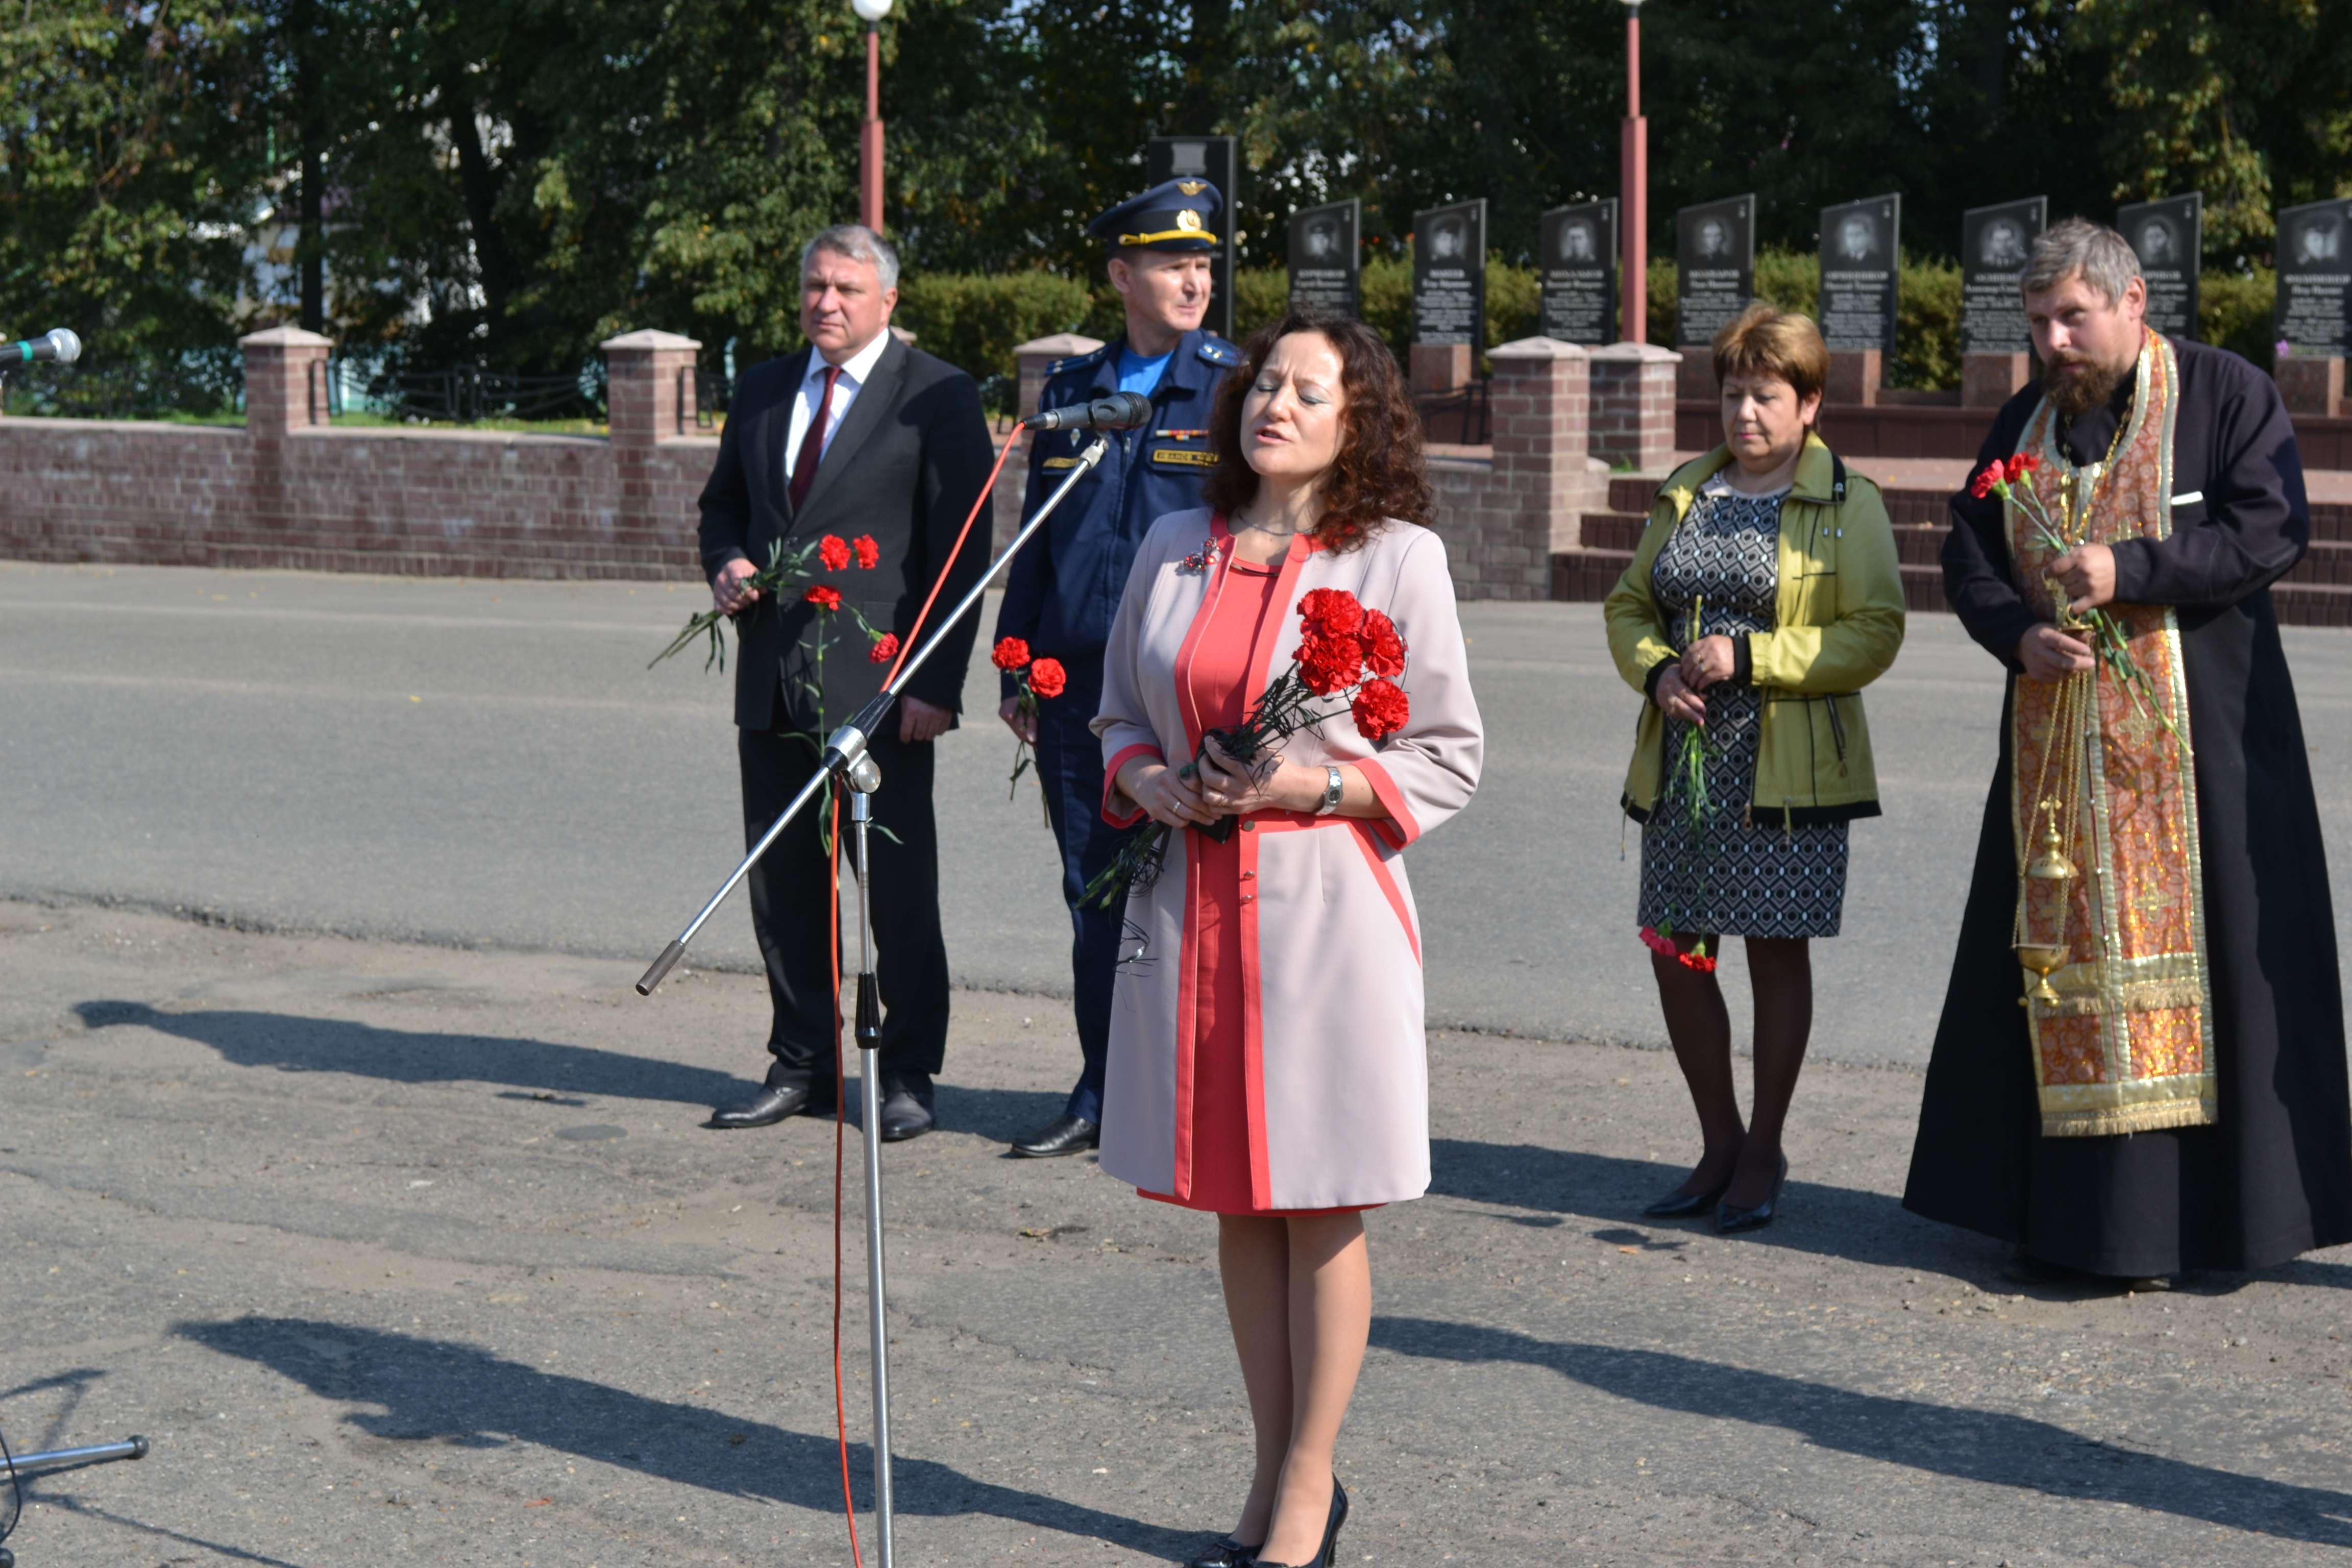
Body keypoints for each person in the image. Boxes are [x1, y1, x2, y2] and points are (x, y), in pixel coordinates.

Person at [1092, 312, 1481, 1568]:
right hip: (1192, 909)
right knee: (1236, 1205)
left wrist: (1305, 791)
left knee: (1319, 1197)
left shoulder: (1398, 558)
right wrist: (1151, 781)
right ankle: (1267, 1475)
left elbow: (1446, 756)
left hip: (1322, 918)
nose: (1277, 405)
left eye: (1311, 392)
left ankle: (1310, 1492)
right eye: (1267, 383)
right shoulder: (1170, 543)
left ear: (1356, 422)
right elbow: (1114, 719)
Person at [1905, 218, 2352, 1286]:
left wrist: (2132, 568)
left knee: (2229, 977)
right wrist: (2015, 633)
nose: (2055, 342)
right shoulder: (2027, 418)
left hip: (2211, 761)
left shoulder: (2228, 394)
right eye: (2040, 323)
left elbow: (2268, 527)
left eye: (2074, 317)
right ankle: (2071, 1227)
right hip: (2059, 767)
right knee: (2056, 975)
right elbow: (1965, 551)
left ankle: (2206, 1228)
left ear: (2134, 300)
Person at [1603, 304, 1905, 1232]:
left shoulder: (1848, 502)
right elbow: (1627, 605)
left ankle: (1766, 1146)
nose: (1745, 414)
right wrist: (1656, 674)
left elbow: (1875, 630)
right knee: (1679, 956)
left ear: (1809, 403)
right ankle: (1719, 1140)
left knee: (1776, 958)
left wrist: (1751, 656)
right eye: (1733, 394)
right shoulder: (1688, 490)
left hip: (1789, 771)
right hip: (1685, 764)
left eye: (1767, 396)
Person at [697, 224, 994, 1140]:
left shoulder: (937, 395)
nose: (826, 303)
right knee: (784, 885)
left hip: (881, 694)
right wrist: (727, 560)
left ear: (888, 302)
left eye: (847, 290)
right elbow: (724, 507)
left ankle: (906, 1070)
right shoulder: (763, 388)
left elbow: (962, 550)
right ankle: (805, 1063)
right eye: (815, 287)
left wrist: (933, 683)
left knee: (895, 889)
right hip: (774, 680)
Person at [992, 179, 1242, 1158]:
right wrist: (1019, 661)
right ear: (1120, 274)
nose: (1195, 278)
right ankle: (1104, 1088)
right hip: (1075, 688)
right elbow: (1038, 537)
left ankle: (1196, 1083)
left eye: (1205, 262)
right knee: (1094, 890)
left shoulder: (1229, 386)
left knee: (1197, 890)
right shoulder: (1071, 391)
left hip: (1183, 686)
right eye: (1174, 262)